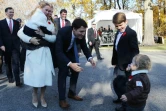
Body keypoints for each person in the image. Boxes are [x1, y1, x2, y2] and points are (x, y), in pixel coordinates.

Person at [17, 3, 56, 108]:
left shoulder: (51, 24)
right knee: (36, 76)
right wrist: (30, 39)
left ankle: (42, 96)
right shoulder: (33, 20)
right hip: (33, 52)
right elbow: (20, 33)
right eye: (46, 10)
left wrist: (44, 35)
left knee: (45, 76)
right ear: (41, 9)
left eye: (50, 11)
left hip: (46, 53)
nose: (48, 12)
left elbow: (54, 39)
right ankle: (34, 94)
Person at [55, 18, 96, 109]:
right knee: (63, 73)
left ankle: (71, 93)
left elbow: (84, 47)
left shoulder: (80, 35)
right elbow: (58, 51)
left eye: (84, 31)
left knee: (76, 70)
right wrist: (70, 64)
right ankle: (62, 99)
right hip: (60, 53)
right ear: (73, 29)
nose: (83, 34)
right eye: (81, 31)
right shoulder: (62, 32)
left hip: (70, 52)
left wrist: (90, 58)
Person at [111, 12, 139, 104]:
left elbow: (135, 51)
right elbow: (116, 48)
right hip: (118, 63)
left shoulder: (131, 33)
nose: (119, 28)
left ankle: (126, 104)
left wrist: (131, 64)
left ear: (126, 21)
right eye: (116, 26)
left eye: (120, 25)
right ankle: (120, 97)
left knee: (125, 85)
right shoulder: (117, 33)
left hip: (127, 64)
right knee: (116, 82)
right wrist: (114, 61)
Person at [0, 7, 22, 86]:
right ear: (6, 13)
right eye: (10, 12)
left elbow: (19, 34)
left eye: (13, 12)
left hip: (15, 46)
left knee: (16, 62)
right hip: (5, 47)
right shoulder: (1, 22)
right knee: (8, 63)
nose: (12, 13)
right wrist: (1, 45)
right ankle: (10, 77)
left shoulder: (16, 22)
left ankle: (18, 80)